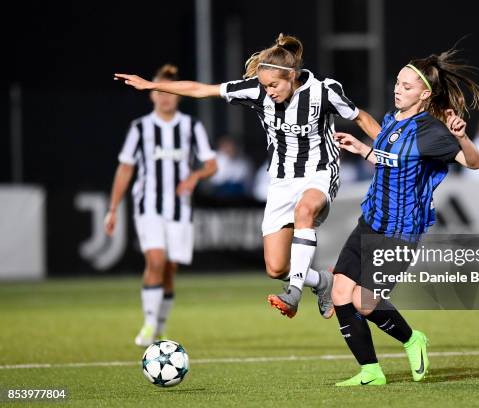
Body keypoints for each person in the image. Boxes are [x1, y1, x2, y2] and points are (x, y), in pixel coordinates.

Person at [115, 34, 382, 320]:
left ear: (292, 76)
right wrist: (151, 85)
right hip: (280, 182)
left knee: (305, 210)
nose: (269, 91)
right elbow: (202, 89)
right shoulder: (255, 91)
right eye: (265, 85)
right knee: (275, 268)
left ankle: (293, 292)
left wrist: (389, 153)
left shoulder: (324, 91)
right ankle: (322, 282)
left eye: (274, 85)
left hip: (320, 173)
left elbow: (361, 118)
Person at [329, 48, 479, 386]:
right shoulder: (391, 119)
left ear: (425, 93)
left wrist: (460, 135)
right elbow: (392, 158)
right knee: (341, 292)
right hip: (371, 219)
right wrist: (364, 148)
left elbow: (473, 163)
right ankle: (370, 372)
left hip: (401, 230)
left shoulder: (431, 130)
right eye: (397, 83)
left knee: (365, 304)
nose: (398, 90)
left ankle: (413, 339)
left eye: (406, 86)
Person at [105, 64, 218, 347]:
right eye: (160, 91)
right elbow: (125, 169)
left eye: (170, 91)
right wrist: (113, 208)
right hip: (148, 206)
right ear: (152, 94)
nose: (165, 97)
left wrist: (195, 175)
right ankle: (149, 324)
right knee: (154, 261)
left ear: (177, 95)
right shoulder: (140, 128)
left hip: (179, 208)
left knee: (169, 269)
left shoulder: (191, 127)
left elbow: (212, 165)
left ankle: (161, 327)